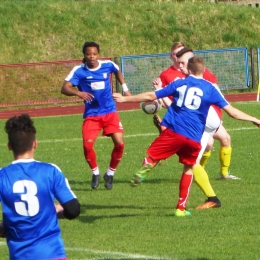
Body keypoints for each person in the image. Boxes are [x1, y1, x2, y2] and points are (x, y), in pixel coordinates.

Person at [113, 56, 260, 217]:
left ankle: (147, 167)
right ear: (203, 70)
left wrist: (124, 98)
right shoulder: (210, 88)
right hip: (194, 138)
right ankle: (180, 208)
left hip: (175, 131)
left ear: (189, 71)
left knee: (153, 158)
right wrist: (254, 119)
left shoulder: (180, 83)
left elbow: (151, 96)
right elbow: (232, 112)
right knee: (189, 168)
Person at [0, 113, 80, 259]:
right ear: (35, 143)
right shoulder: (51, 171)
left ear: (9, 146)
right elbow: (73, 209)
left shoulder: (2, 176)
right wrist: (57, 212)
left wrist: (6, 228)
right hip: (53, 254)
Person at [154, 45, 239, 181]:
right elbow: (168, 100)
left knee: (225, 138)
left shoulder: (200, 72)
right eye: (176, 55)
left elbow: (214, 90)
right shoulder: (168, 76)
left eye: (181, 55)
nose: (178, 58)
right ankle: (197, 173)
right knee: (206, 145)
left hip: (207, 115)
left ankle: (223, 174)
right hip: (189, 119)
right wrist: (157, 101)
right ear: (171, 56)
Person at [61, 41, 131, 190]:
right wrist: (78, 92)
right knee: (87, 145)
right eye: (88, 54)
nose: (91, 57)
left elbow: (117, 70)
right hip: (92, 115)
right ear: (84, 55)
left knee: (120, 143)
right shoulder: (79, 71)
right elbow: (64, 88)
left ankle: (110, 173)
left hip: (110, 112)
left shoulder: (107, 65)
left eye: (94, 54)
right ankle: (96, 173)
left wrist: (125, 89)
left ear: (98, 54)